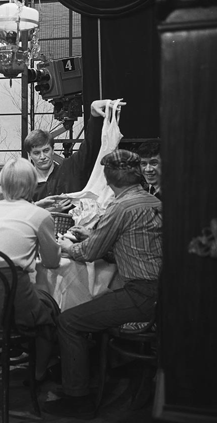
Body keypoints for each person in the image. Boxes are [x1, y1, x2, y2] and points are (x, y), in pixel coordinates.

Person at [43, 149, 162, 419]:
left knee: (68, 321)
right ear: (137, 174)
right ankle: (91, 371)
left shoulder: (120, 207)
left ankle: (78, 398)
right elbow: (131, 244)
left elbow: (88, 253)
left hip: (142, 294)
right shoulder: (152, 200)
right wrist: (94, 237)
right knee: (92, 303)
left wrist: (65, 247)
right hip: (162, 292)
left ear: (108, 180)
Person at [0, 157, 61, 381]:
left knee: (34, 301)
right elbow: (51, 262)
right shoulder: (40, 216)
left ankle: (13, 351)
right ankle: (39, 373)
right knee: (49, 314)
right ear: (32, 184)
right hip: (12, 304)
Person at [24, 99, 126, 211]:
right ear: (29, 155)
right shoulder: (24, 184)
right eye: (37, 153)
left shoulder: (71, 168)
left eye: (46, 150)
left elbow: (90, 147)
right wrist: (46, 211)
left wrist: (94, 116)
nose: (42, 157)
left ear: (53, 150)